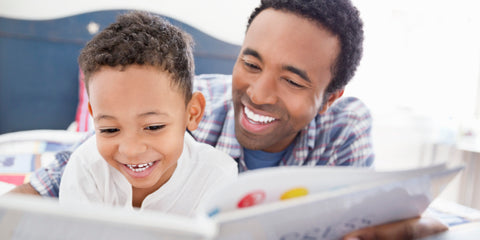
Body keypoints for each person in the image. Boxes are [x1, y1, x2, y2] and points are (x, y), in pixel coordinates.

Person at [9, 0, 448, 238]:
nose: (258, 94)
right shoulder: (195, 101)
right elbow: (64, 173)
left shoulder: (343, 128)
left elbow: (362, 223)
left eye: (293, 81)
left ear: (329, 98)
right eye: (251, 64)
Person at [57, 11, 237, 217]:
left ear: (192, 113)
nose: (132, 150)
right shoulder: (86, 168)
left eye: (153, 127)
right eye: (110, 129)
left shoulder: (216, 176)